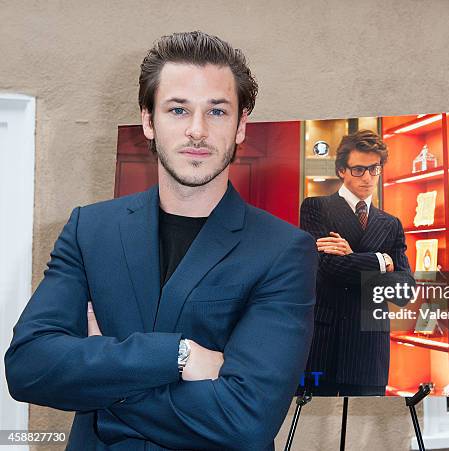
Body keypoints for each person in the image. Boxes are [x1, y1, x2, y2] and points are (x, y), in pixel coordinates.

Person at [4, 31, 317, 451]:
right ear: (149, 122)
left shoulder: (283, 250)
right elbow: (28, 367)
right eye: (177, 109)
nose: (197, 131)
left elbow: (246, 420)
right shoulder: (89, 230)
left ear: (242, 125)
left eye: (218, 112)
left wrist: (102, 383)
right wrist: (179, 355)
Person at [300, 129, 415, 396]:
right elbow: (329, 268)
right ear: (341, 170)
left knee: (365, 426)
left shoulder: (390, 224)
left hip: (369, 346)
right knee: (316, 423)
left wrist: (351, 258)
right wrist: (381, 260)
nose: (368, 177)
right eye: (359, 170)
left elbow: (405, 290)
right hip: (324, 342)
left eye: (374, 169)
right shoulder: (316, 208)